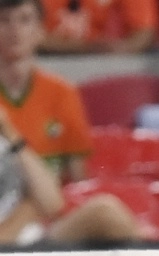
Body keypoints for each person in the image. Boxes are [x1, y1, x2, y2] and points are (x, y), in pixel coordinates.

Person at [0, 106, 139, 244]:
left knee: (107, 214)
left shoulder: (6, 141)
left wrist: (10, 133)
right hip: (10, 248)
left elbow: (53, 203)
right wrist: (30, 209)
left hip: (36, 238)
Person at [0, 0, 91, 183]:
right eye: (4, 20)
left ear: (41, 32)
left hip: (52, 206)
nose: (14, 29)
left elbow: (79, 179)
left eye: (25, 20)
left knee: (105, 208)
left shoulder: (63, 93)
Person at [38, 0, 157, 54]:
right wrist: (86, 47)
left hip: (105, 67)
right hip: (45, 63)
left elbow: (145, 33)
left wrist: (120, 50)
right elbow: (29, 36)